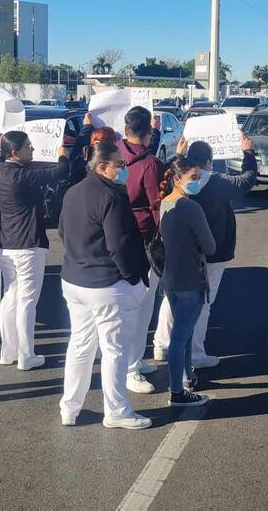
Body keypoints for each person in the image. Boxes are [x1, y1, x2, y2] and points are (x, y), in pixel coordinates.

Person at [58, 140, 152, 429]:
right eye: (120, 166)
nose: (124, 170)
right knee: (114, 349)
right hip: (105, 284)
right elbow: (119, 244)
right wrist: (132, 276)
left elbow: (63, 231)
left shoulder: (73, 191)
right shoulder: (112, 196)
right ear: (102, 167)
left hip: (74, 280)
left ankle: (69, 408)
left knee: (80, 346)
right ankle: (117, 411)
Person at [153, 134, 257, 367]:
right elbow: (247, 180)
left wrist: (180, 155)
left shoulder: (178, 181)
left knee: (172, 300)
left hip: (179, 252)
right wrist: (248, 153)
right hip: (211, 254)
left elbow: (174, 172)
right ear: (210, 162)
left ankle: (161, 343)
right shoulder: (217, 181)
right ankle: (196, 354)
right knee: (202, 303)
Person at [0, 130, 70, 370]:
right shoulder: (22, 177)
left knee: (11, 297)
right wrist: (62, 156)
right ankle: (26, 355)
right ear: (15, 152)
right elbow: (58, 172)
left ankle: (9, 351)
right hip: (27, 245)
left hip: (6, 243)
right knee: (27, 301)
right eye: (28, 146)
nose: (33, 149)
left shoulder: (0, 172)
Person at [159, 156, 216, 408]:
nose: (198, 181)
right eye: (193, 177)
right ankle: (177, 391)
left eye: (199, 176)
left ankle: (187, 376)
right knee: (180, 336)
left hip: (170, 277)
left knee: (183, 331)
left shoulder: (165, 204)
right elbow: (210, 246)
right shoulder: (191, 208)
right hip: (191, 278)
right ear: (176, 179)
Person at [120, 107, 165, 394]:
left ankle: (133, 358)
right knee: (141, 304)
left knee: (129, 303)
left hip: (119, 236)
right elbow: (156, 205)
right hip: (144, 238)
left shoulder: (114, 153)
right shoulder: (150, 164)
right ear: (148, 133)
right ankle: (130, 368)